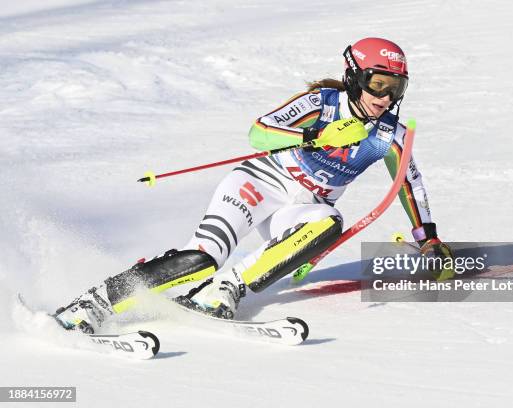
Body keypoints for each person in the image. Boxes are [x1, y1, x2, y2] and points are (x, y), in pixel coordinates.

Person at [54, 37, 452, 334]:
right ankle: (95, 301)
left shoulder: (390, 134)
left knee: (328, 220)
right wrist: (314, 138)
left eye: (395, 88)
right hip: (260, 183)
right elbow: (259, 132)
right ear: (354, 77)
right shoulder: (322, 102)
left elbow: (408, 183)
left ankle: (224, 290)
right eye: (378, 83)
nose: (385, 97)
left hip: (304, 205)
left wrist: (427, 238)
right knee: (203, 257)